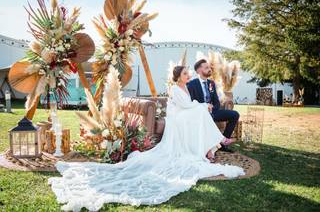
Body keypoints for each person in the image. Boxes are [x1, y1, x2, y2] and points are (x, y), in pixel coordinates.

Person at [49, 66, 244, 211]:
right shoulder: (176, 88)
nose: (188, 75)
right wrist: (203, 106)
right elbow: (185, 106)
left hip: (185, 115)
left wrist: (202, 106)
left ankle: (210, 146)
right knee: (201, 112)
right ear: (178, 77)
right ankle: (215, 143)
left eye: (187, 73)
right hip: (177, 118)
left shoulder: (186, 88)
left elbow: (190, 103)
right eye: (185, 73)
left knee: (201, 112)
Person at [187, 59, 240, 153]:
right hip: (200, 114)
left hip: (213, 112)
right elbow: (191, 102)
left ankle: (223, 144)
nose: (209, 69)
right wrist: (204, 108)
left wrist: (212, 109)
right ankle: (209, 146)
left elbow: (216, 102)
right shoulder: (191, 84)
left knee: (235, 114)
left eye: (209, 67)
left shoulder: (211, 83)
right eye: (206, 68)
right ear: (199, 70)